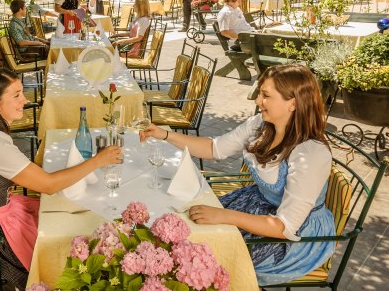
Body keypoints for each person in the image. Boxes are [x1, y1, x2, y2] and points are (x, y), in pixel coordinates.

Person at [139, 64, 335, 286]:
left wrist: (225, 216)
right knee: (190, 236)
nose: (257, 101)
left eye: (266, 95)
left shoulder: (310, 153)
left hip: (295, 236)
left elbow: (284, 227)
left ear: (294, 103)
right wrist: (164, 134)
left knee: (207, 259)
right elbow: (213, 148)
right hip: (259, 205)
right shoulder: (260, 125)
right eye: (260, 93)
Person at [0, 68, 123, 287]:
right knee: (63, 238)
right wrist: (98, 160)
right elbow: (49, 185)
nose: (24, 100)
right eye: (16, 95)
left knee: (65, 214)